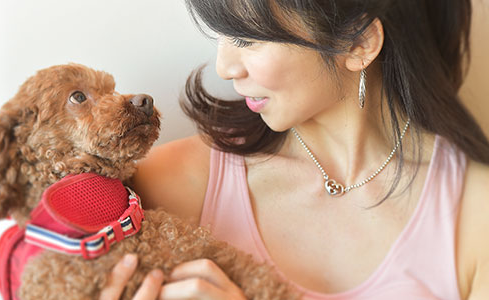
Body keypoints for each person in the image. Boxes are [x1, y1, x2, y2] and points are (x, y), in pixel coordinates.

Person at [100, 0, 489, 299]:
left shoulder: (475, 212)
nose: (225, 67)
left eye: (246, 38)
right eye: (222, 35)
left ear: (359, 42)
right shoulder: (173, 181)